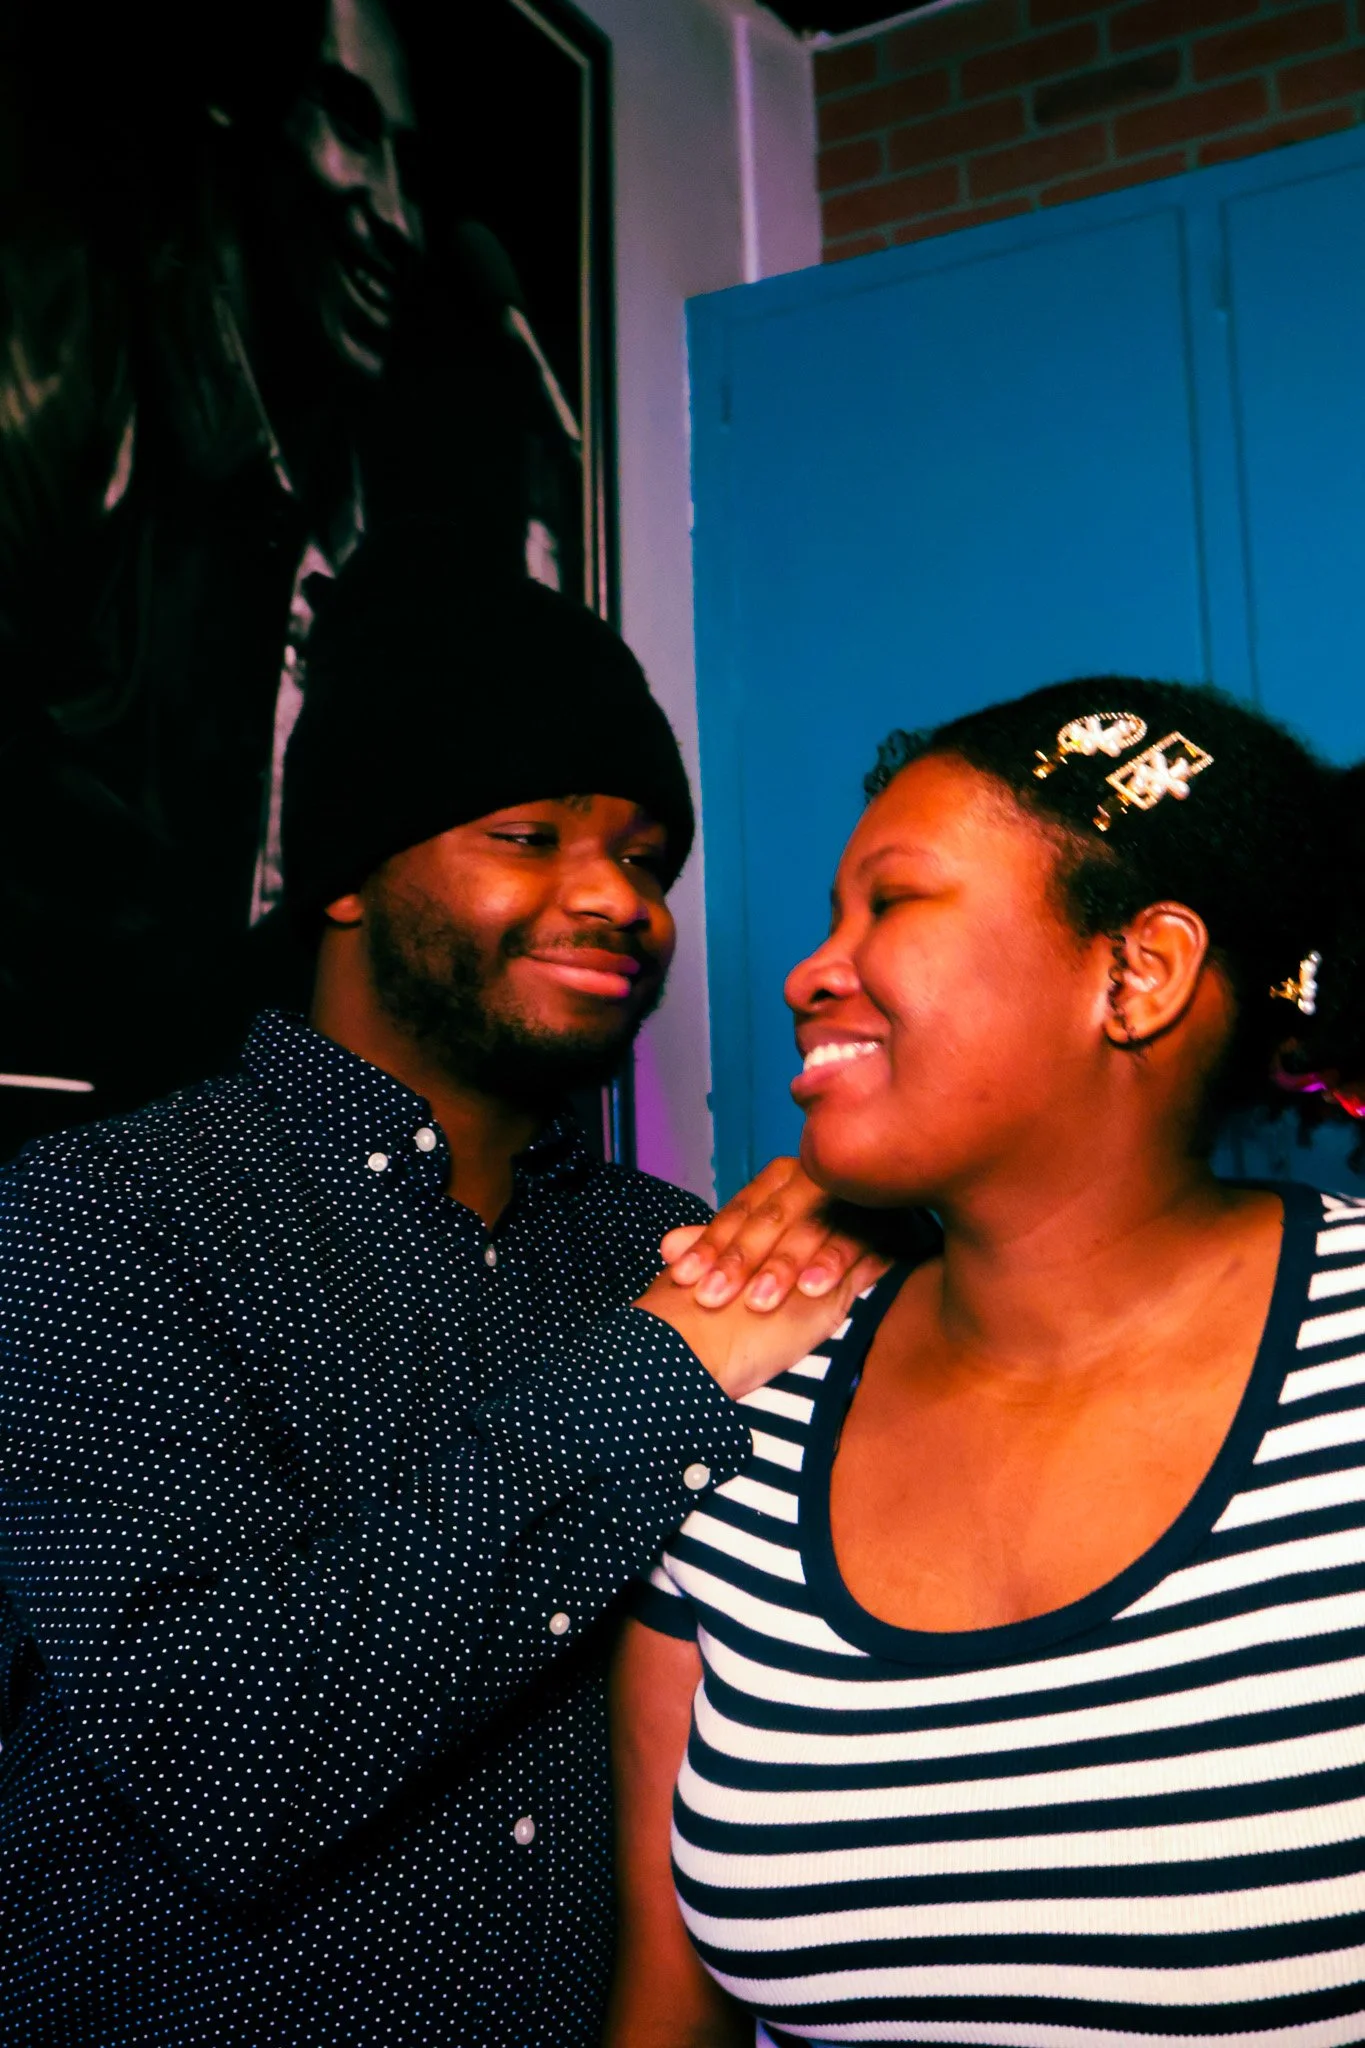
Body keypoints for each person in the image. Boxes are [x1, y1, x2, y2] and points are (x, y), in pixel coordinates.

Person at [0, 533, 893, 2047]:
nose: (620, 899)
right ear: (348, 875)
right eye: (532, 836)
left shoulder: (663, 1241)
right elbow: (235, 1749)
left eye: (646, 856)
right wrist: (673, 1360)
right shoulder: (100, 1215)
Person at [609, 678, 1365, 2048]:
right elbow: (670, 2016)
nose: (808, 972)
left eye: (890, 905)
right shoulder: (737, 1411)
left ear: (1136, 974)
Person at [0, 0, 576, 1154]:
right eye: (350, 128)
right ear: (238, 121)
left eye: (411, 164)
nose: (398, 219)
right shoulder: (81, 353)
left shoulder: (357, 506)